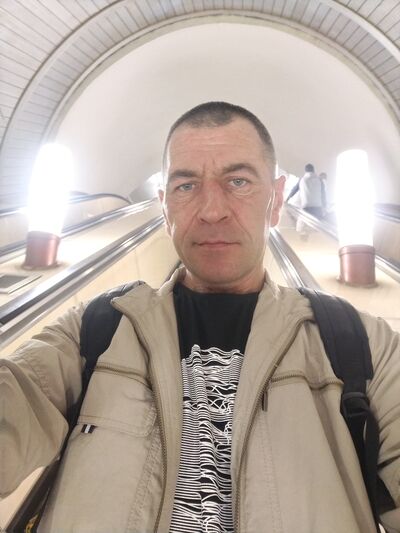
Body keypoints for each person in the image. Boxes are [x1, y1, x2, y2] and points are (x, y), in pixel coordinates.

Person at [1, 102, 400, 533]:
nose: (212, 210)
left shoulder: (361, 342)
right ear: (164, 207)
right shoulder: (95, 330)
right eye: (186, 185)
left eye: (238, 181)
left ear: (276, 200)